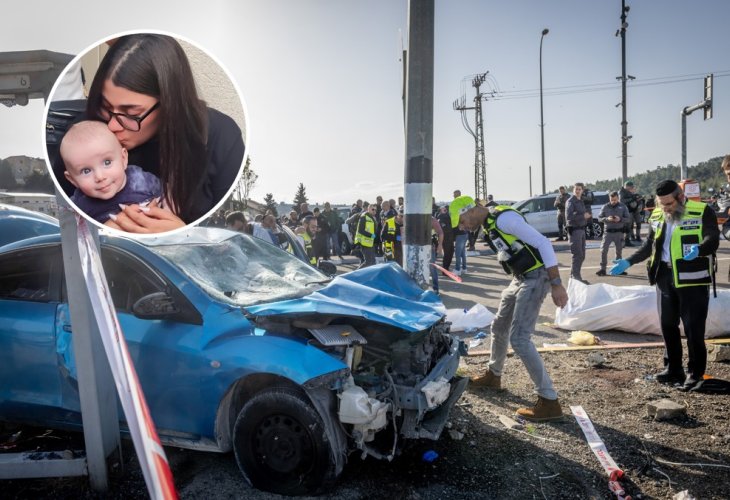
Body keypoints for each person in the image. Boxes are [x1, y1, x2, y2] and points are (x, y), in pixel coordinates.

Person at [79, 34, 245, 233]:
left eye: (131, 113)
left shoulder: (222, 138)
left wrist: (183, 235)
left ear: (169, 103)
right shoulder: (84, 133)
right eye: (105, 107)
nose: (112, 125)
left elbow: (225, 237)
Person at [458, 197, 569, 421]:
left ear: (471, 210)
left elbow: (544, 244)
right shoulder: (488, 224)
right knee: (498, 326)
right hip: (520, 278)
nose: (463, 227)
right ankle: (493, 375)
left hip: (535, 278)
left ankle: (549, 402)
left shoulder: (504, 218)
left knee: (519, 338)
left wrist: (556, 284)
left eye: (462, 221)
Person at [610, 180, 719, 391]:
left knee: (693, 328)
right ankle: (673, 369)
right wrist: (629, 261)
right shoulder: (658, 215)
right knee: (668, 325)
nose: (665, 208)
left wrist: (701, 248)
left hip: (692, 278)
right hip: (665, 276)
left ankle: (695, 373)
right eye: (662, 204)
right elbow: (649, 245)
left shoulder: (701, 211)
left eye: (669, 204)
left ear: (680, 197)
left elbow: (712, 238)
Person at [59, 121, 161, 225]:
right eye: (86, 171)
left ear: (123, 158)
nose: (100, 177)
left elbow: (169, 196)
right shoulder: (79, 203)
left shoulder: (141, 179)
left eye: (107, 162)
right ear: (72, 179)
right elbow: (65, 226)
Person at [595, 191, 630, 276]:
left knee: (619, 251)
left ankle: (619, 269)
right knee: (603, 250)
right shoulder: (605, 207)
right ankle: (603, 269)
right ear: (609, 199)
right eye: (611, 200)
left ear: (618, 198)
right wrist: (607, 219)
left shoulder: (623, 206)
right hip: (608, 233)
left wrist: (620, 219)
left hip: (619, 232)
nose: (613, 201)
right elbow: (599, 218)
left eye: (615, 200)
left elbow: (628, 219)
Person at [565, 183, 591, 284]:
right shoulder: (570, 201)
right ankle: (576, 278)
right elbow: (569, 217)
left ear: (582, 190)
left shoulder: (580, 201)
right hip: (574, 230)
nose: (577, 191)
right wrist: (583, 216)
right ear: (573, 190)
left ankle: (574, 276)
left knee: (582, 255)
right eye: (576, 189)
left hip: (581, 230)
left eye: (579, 189)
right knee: (577, 255)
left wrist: (586, 217)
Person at [354, 203, 377, 268]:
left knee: (372, 261)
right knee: (368, 261)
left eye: (375, 210)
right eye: (373, 209)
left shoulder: (372, 218)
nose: (374, 211)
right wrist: (371, 235)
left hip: (370, 242)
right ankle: (356, 274)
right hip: (364, 242)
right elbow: (360, 230)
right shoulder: (364, 217)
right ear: (368, 209)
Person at [619, 181, 637, 247]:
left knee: (628, 227)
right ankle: (622, 242)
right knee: (624, 228)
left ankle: (627, 241)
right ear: (627, 186)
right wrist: (631, 199)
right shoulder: (622, 192)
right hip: (624, 212)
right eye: (630, 187)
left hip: (629, 211)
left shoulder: (628, 192)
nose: (631, 188)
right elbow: (622, 201)